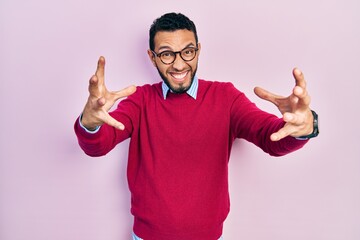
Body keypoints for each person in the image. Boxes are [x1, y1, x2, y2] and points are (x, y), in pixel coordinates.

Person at [74, 12, 319, 240]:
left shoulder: (226, 98)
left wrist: (304, 126)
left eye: (188, 52)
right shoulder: (140, 101)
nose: (179, 65)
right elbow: (98, 145)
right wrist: (90, 122)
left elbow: (271, 138)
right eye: (167, 54)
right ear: (152, 57)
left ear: (199, 51)